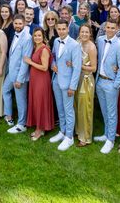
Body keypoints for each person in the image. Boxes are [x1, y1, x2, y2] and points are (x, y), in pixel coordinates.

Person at [49, 19, 82, 152]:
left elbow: (77, 68)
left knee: (68, 110)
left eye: (63, 29)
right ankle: (62, 131)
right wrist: (53, 66)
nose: (61, 31)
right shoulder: (56, 41)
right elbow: (53, 57)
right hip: (57, 79)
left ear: (68, 29)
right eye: (59, 29)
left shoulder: (74, 45)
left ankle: (69, 136)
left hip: (68, 82)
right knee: (60, 107)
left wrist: (72, 87)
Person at [94, 20, 120, 154]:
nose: (109, 29)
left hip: (111, 83)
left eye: (112, 28)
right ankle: (106, 134)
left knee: (112, 112)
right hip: (100, 81)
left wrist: (115, 85)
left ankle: (111, 140)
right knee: (104, 110)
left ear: (117, 29)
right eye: (107, 27)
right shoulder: (101, 40)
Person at [2, 15, 32, 134]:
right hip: (11, 72)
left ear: (24, 23)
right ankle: (9, 116)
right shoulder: (15, 34)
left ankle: (22, 124)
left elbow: (25, 61)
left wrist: (20, 79)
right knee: (5, 90)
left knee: (21, 100)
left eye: (20, 23)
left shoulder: (27, 38)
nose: (17, 26)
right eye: (16, 23)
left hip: (20, 75)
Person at [25, 27, 54, 141]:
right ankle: (39, 127)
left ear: (43, 37)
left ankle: (39, 129)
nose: (37, 37)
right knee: (36, 102)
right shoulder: (35, 47)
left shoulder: (44, 49)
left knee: (40, 103)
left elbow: (44, 67)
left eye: (39, 36)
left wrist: (30, 62)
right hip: (34, 79)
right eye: (35, 35)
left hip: (41, 79)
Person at [75, 24, 97, 147]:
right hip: (77, 78)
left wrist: (78, 65)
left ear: (90, 34)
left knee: (85, 109)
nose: (84, 34)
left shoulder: (92, 47)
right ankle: (78, 131)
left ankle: (85, 137)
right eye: (82, 32)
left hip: (86, 80)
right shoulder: (77, 43)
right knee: (77, 106)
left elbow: (93, 68)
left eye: (86, 32)